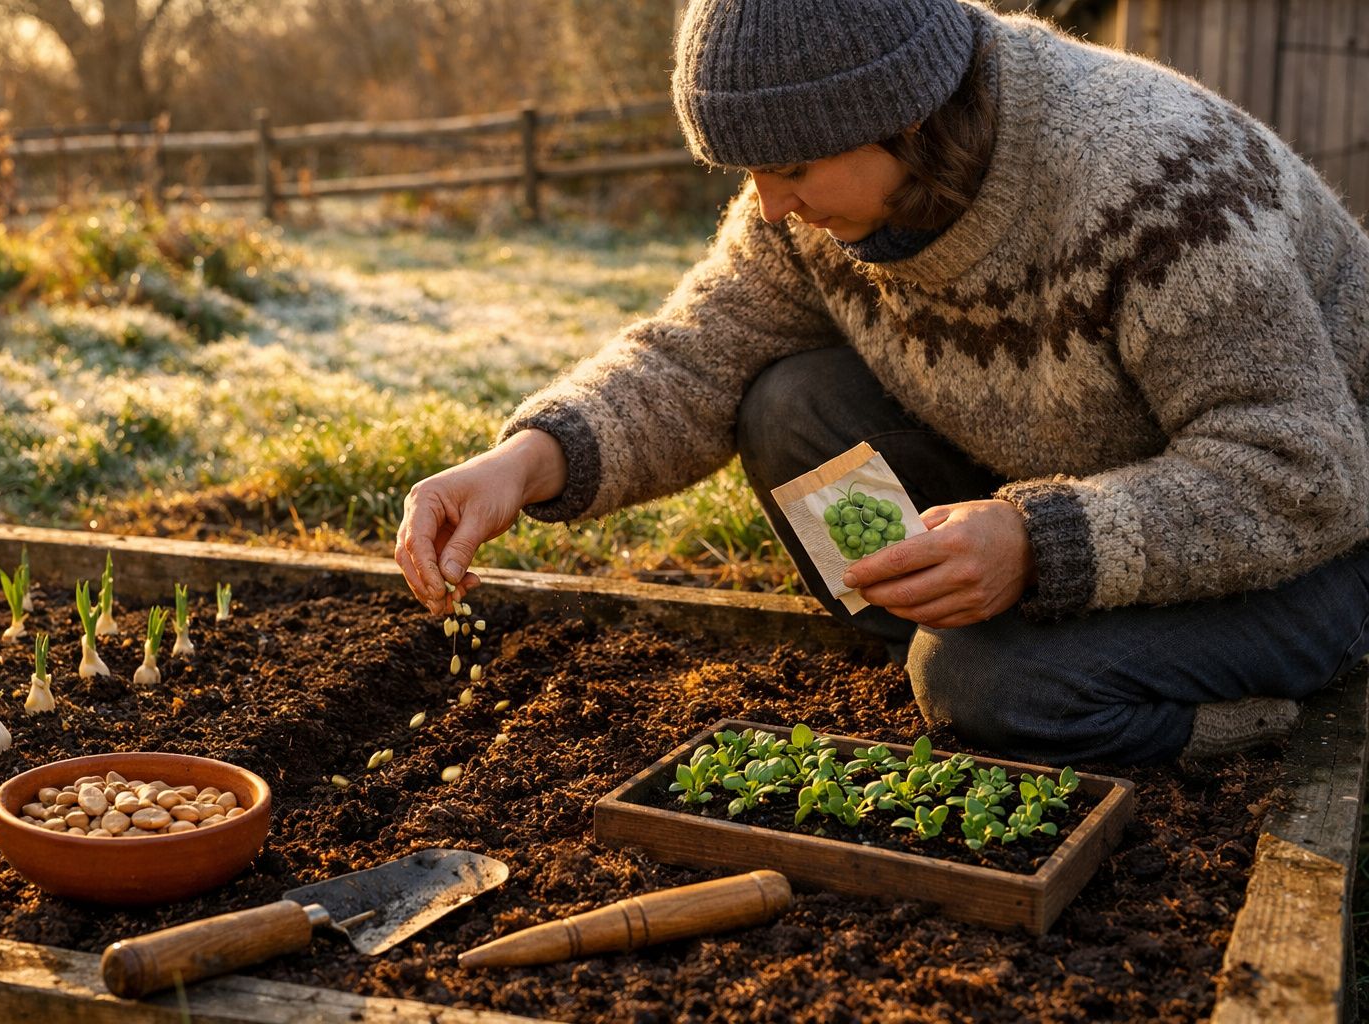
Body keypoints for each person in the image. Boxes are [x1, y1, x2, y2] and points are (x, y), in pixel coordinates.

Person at [395, 0, 1369, 766]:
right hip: (1091, 491)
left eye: (789, 171)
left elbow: (1300, 474)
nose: (769, 211)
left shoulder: (1155, 183)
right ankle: (922, 638)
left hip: (1310, 542)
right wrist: (524, 464)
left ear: (903, 117)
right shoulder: (827, 191)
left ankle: (1201, 717)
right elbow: (698, 350)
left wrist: (1038, 542)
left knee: (994, 687)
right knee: (790, 406)